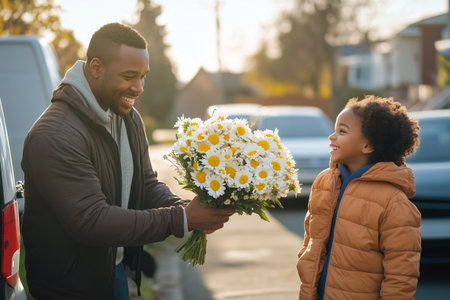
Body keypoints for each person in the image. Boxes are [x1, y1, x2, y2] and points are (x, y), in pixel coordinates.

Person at [21, 22, 233, 300]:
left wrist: (185, 210)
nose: (139, 87)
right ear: (96, 68)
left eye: (143, 76)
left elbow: (145, 185)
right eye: (130, 76)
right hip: (69, 289)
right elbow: (91, 220)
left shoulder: (129, 118)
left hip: (116, 273)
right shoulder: (55, 134)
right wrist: (181, 218)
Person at [296, 95, 422, 300]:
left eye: (342, 131)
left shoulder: (394, 202)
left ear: (368, 146)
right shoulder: (324, 183)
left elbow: (401, 276)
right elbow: (310, 241)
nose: (332, 137)